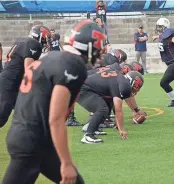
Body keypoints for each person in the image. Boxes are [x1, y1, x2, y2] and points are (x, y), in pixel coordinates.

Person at [2, 20, 107, 183]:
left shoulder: (51, 58)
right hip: (32, 140)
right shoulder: (73, 65)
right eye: (100, 47)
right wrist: (66, 162)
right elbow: (56, 118)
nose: (101, 53)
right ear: (89, 46)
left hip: (30, 135)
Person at [0, 25, 47, 129]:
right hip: (10, 83)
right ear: (39, 36)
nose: (44, 43)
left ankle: (29, 136)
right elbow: (28, 69)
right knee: (1, 116)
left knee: (28, 109)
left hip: (13, 82)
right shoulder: (33, 44)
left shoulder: (22, 40)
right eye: (44, 39)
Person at [78, 70, 145, 144]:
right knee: (102, 109)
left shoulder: (121, 79)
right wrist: (121, 129)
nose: (134, 90)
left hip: (84, 87)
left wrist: (118, 123)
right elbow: (118, 109)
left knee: (107, 106)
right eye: (136, 87)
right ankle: (88, 135)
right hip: (82, 89)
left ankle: (93, 128)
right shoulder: (124, 85)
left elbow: (113, 103)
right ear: (133, 82)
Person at [152, 17, 174, 107]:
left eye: (160, 27)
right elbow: (163, 37)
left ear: (165, 27)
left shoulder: (170, 35)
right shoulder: (163, 36)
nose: (158, 29)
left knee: (163, 82)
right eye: (158, 27)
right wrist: (157, 36)